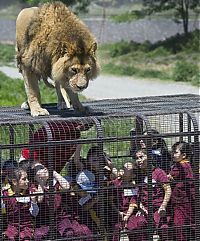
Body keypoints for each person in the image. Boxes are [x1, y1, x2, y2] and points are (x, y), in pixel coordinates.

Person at [127, 149, 172, 241]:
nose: (138, 160)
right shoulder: (139, 175)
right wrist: (141, 207)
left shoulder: (158, 172)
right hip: (145, 210)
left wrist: (163, 206)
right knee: (138, 225)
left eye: (141, 157)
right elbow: (137, 195)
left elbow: (167, 189)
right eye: (136, 158)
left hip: (158, 208)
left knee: (164, 228)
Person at [20, 120, 93, 173]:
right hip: (31, 159)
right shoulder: (60, 124)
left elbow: (63, 156)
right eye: (84, 124)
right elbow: (35, 143)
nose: (84, 127)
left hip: (47, 167)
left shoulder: (75, 136)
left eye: (89, 126)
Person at [2, 167, 39, 241]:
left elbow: (35, 214)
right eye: (24, 179)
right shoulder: (5, 194)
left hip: (27, 226)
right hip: (12, 226)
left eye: (27, 178)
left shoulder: (30, 192)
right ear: (14, 182)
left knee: (25, 237)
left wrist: (34, 201)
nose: (28, 181)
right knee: (9, 237)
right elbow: (3, 212)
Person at [168, 141, 195, 241]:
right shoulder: (187, 165)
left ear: (183, 155)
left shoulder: (180, 166)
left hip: (182, 202)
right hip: (185, 201)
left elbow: (169, 178)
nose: (173, 154)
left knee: (179, 225)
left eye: (175, 152)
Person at [109, 161, 138, 241]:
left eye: (126, 169)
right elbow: (111, 201)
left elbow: (133, 202)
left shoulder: (133, 186)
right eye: (123, 167)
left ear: (133, 175)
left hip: (130, 213)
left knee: (134, 226)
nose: (123, 169)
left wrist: (127, 216)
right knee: (115, 227)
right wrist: (119, 212)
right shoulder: (114, 184)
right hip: (116, 212)